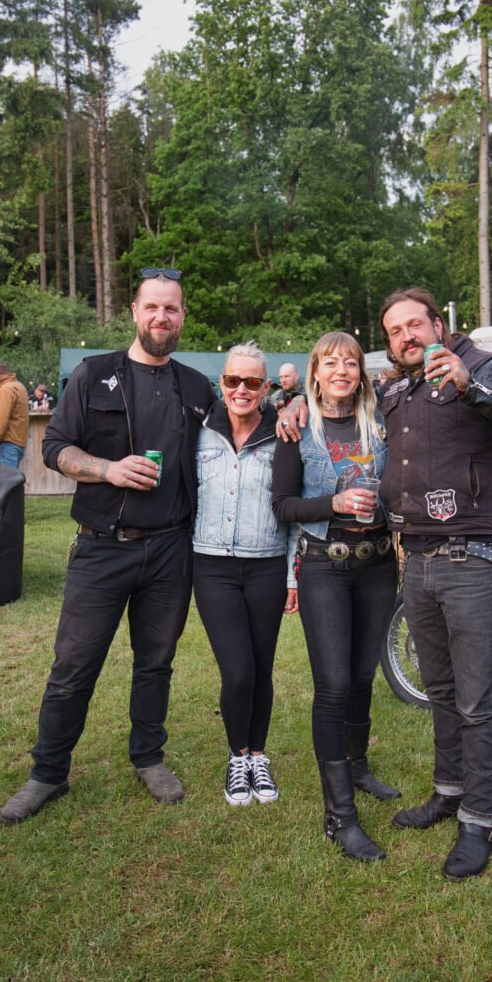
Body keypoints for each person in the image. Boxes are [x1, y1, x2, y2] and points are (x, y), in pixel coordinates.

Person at [0, 267, 216, 825]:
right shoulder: (95, 375)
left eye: (171, 309)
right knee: (74, 664)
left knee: (157, 662)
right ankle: (48, 772)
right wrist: (106, 470)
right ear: (135, 312)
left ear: (183, 316)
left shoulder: (195, 386)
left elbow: (237, 432)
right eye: (152, 307)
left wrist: (283, 412)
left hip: (171, 548)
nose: (161, 318)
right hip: (102, 546)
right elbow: (53, 447)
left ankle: (148, 756)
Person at [377, 287, 492, 879]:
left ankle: (480, 820)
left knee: (477, 700)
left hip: (469, 556)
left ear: (438, 324)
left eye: (413, 325)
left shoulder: (481, 365)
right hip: (416, 559)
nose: (405, 336)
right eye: (394, 330)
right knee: (441, 691)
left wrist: (470, 385)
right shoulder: (397, 387)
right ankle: (449, 792)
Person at [272, 332, 399, 862]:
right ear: (315, 373)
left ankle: (359, 768)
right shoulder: (297, 429)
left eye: (350, 362)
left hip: (377, 564)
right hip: (326, 565)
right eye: (330, 363)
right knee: (333, 685)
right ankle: (339, 816)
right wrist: (333, 501)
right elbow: (282, 506)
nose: (342, 370)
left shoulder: (383, 420)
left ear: (361, 373)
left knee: (364, 675)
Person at [193, 342, 298, 807]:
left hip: (268, 563)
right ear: (222, 383)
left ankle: (259, 755)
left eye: (252, 382)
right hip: (212, 564)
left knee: (261, 667)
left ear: (266, 387)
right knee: (237, 672)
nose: (242, 389)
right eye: (234, 380)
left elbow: (294, 510)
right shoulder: (198, 433)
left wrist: (293, 575)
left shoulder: (285, 436)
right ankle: (238, 756)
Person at [0, 362, 29, 468]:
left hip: (7, 443)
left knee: (6, 481)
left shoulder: (5, 390)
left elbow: (1, 420)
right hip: (18, 441)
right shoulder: (19, 386)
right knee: (13, 479)